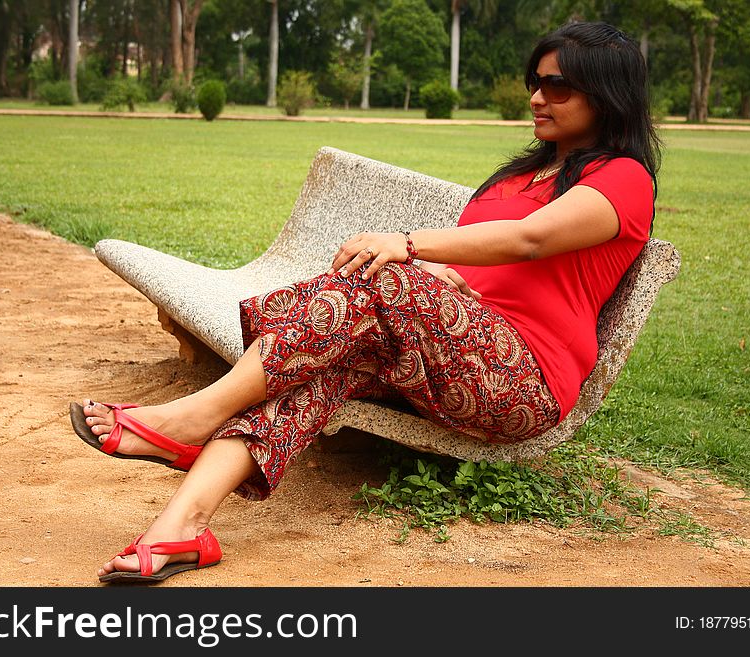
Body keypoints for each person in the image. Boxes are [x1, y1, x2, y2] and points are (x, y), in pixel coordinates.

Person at [70, 20, 661, 583]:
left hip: (520, 380)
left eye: (556, 85)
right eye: (534, 81)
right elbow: (486, 267)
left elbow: (532, 240)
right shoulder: (523, 175)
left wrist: (406, 244)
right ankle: (181, 528)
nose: (536, 96)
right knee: (327, 366)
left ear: (606, 94)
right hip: (452, 350)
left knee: (383, 277)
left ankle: (194, 416)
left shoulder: (624, 177)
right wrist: (442, 272)